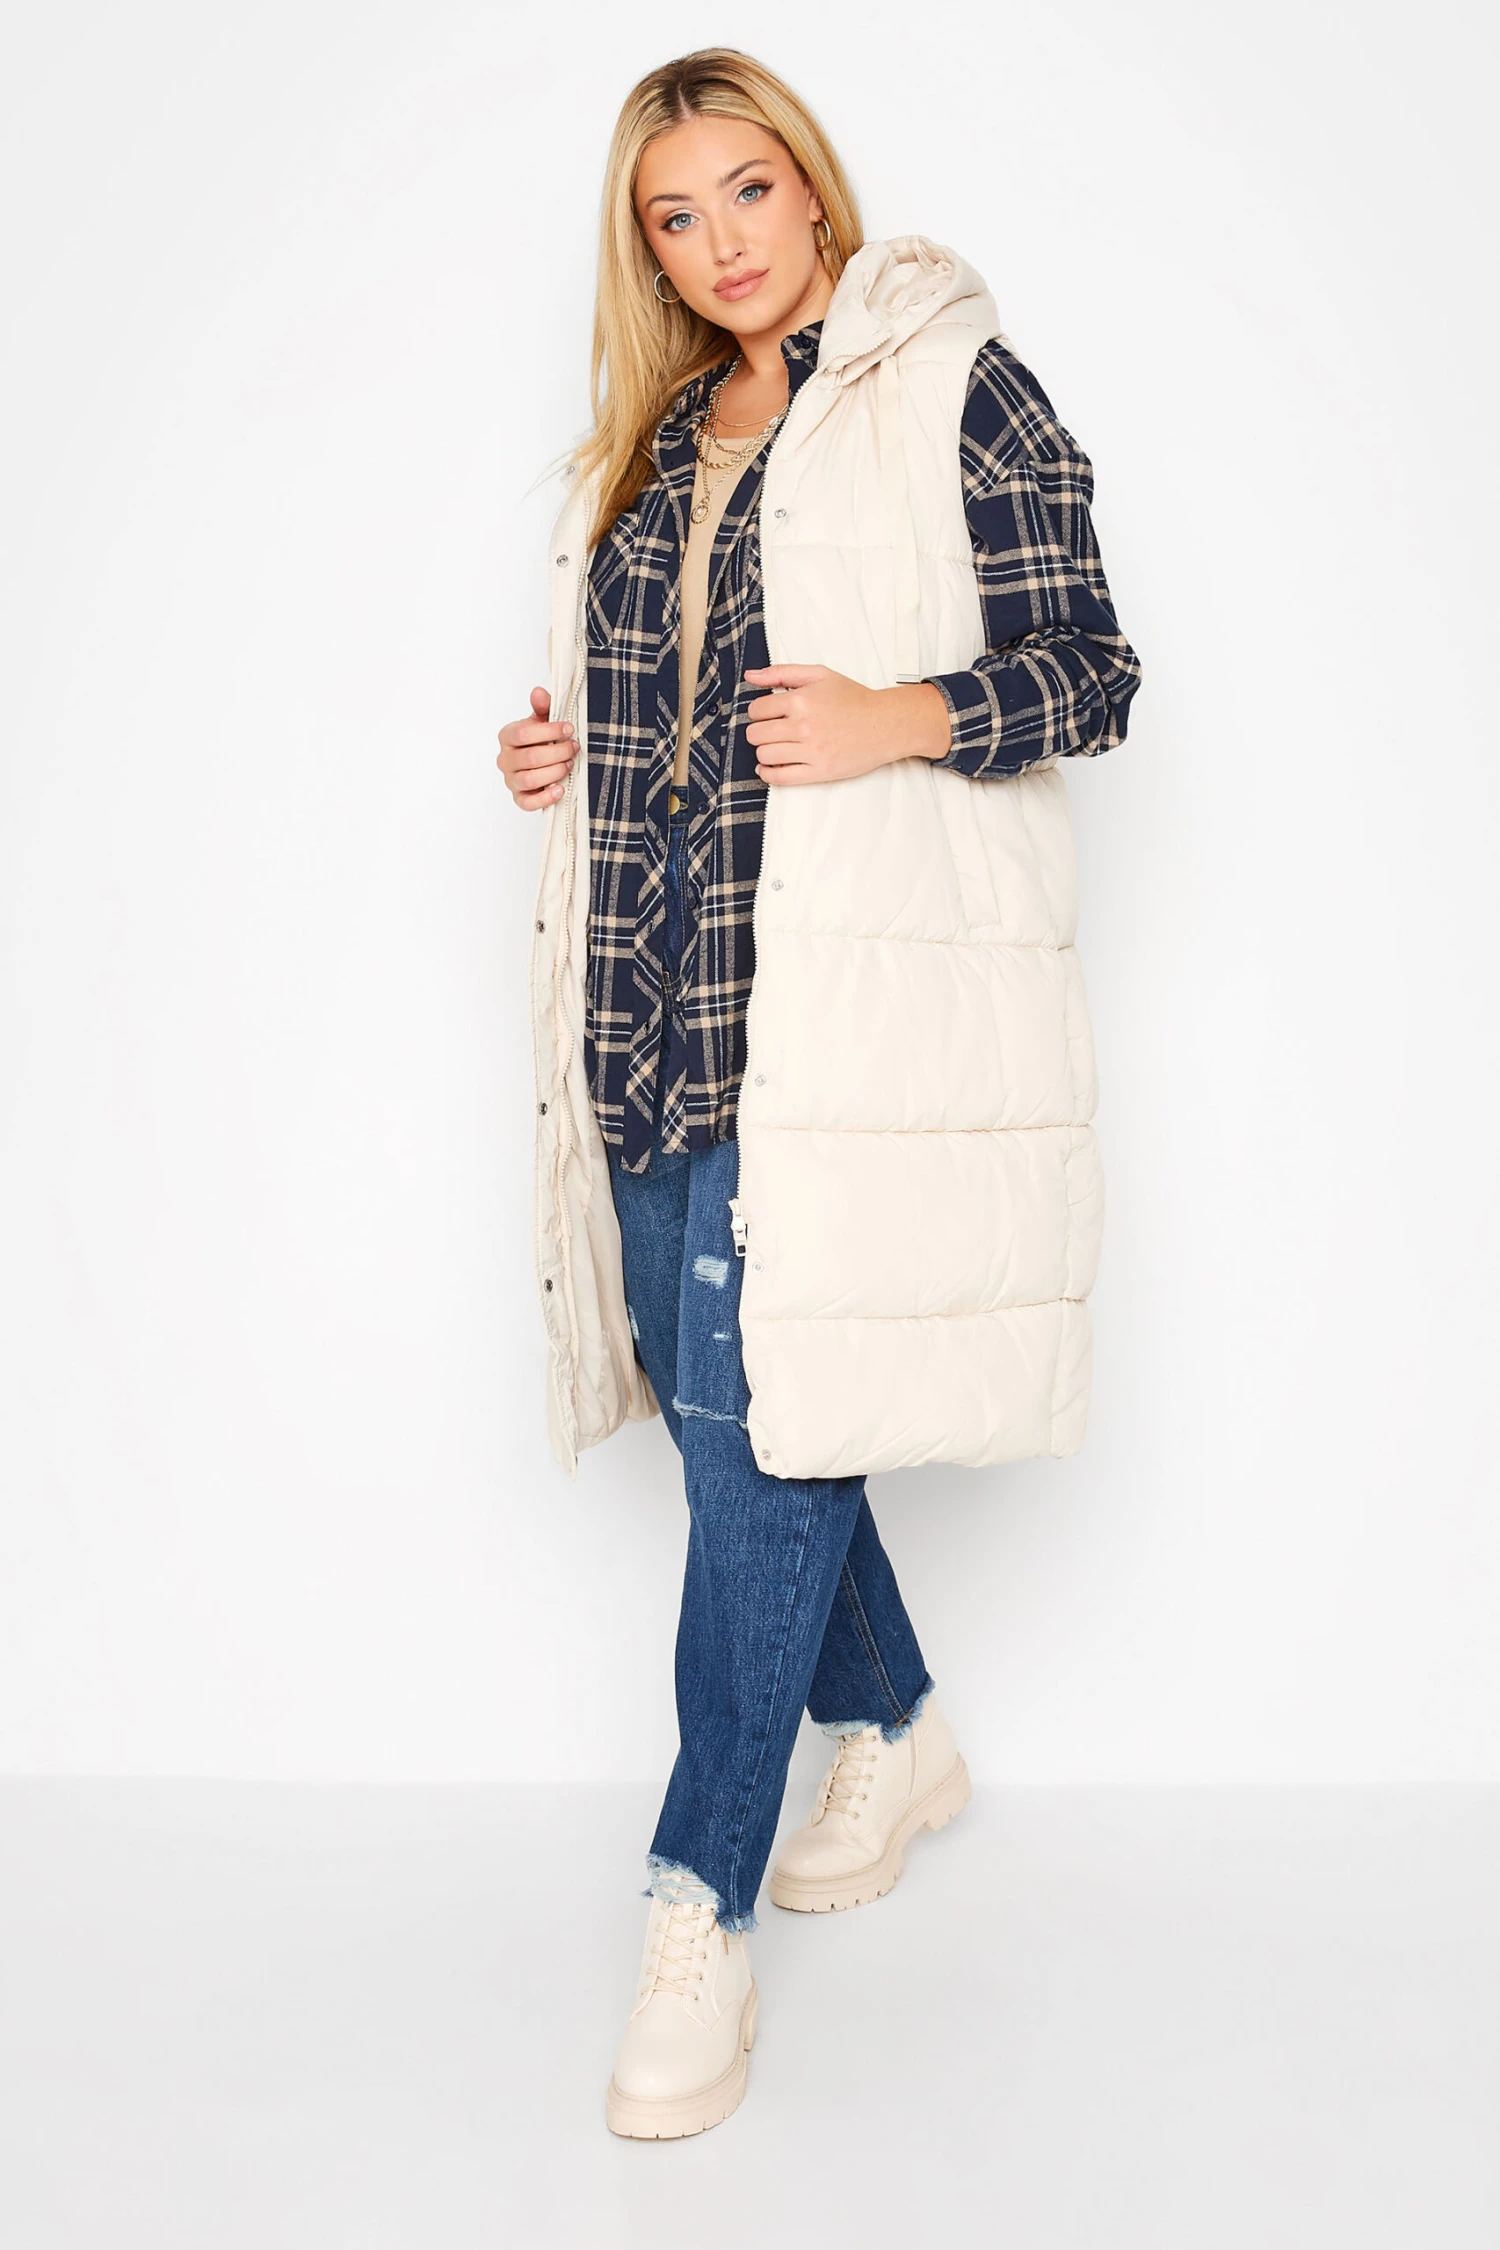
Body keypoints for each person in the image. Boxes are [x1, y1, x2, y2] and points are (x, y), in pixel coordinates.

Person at [496, 47, 1141, 2140]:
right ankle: (902, 1722)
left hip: (827, 1028)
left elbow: (1097, 668)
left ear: (815, 184)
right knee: (748, 1430)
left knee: (758, 1446)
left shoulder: (952, 385)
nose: (722, 245)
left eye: (748, 190)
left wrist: (900, 712)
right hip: (645, 1013)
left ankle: (697, 1901)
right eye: (674, 218)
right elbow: (669, 720)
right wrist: (560, 758)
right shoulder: (658, 441)